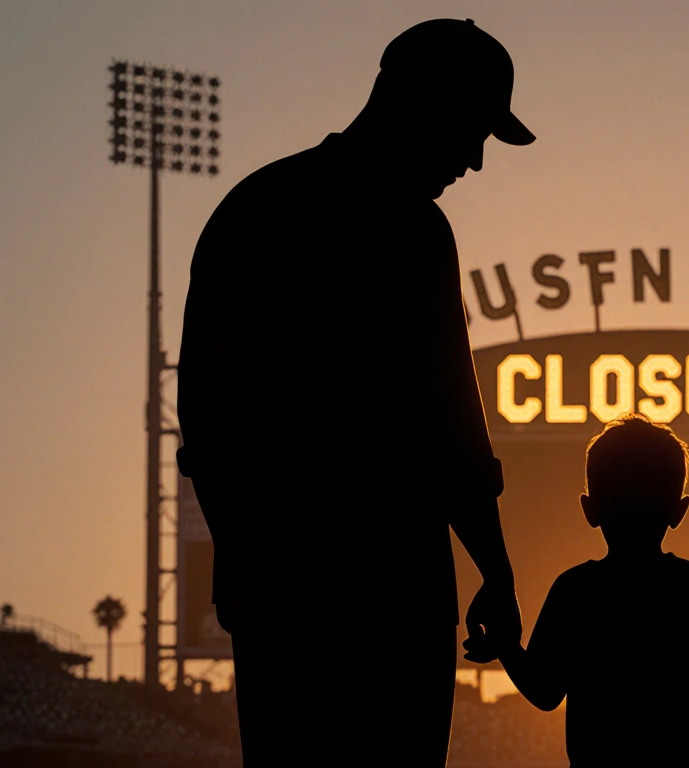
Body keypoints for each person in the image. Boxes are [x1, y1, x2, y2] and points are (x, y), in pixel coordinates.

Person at [175, 19, 533, 763]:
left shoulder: (256, 207)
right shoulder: (414, 233)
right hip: (387, 584)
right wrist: (494, 573)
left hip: (286, 582)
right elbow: (454, 431)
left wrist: (242, 556)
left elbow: (209, 423)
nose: (472, 160)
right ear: (420, 103)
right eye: (470, 130)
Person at [470, 414, 689, 767]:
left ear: (589, 509)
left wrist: (504, 645)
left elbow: (545, 691)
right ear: (678, 511)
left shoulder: (575, 591)